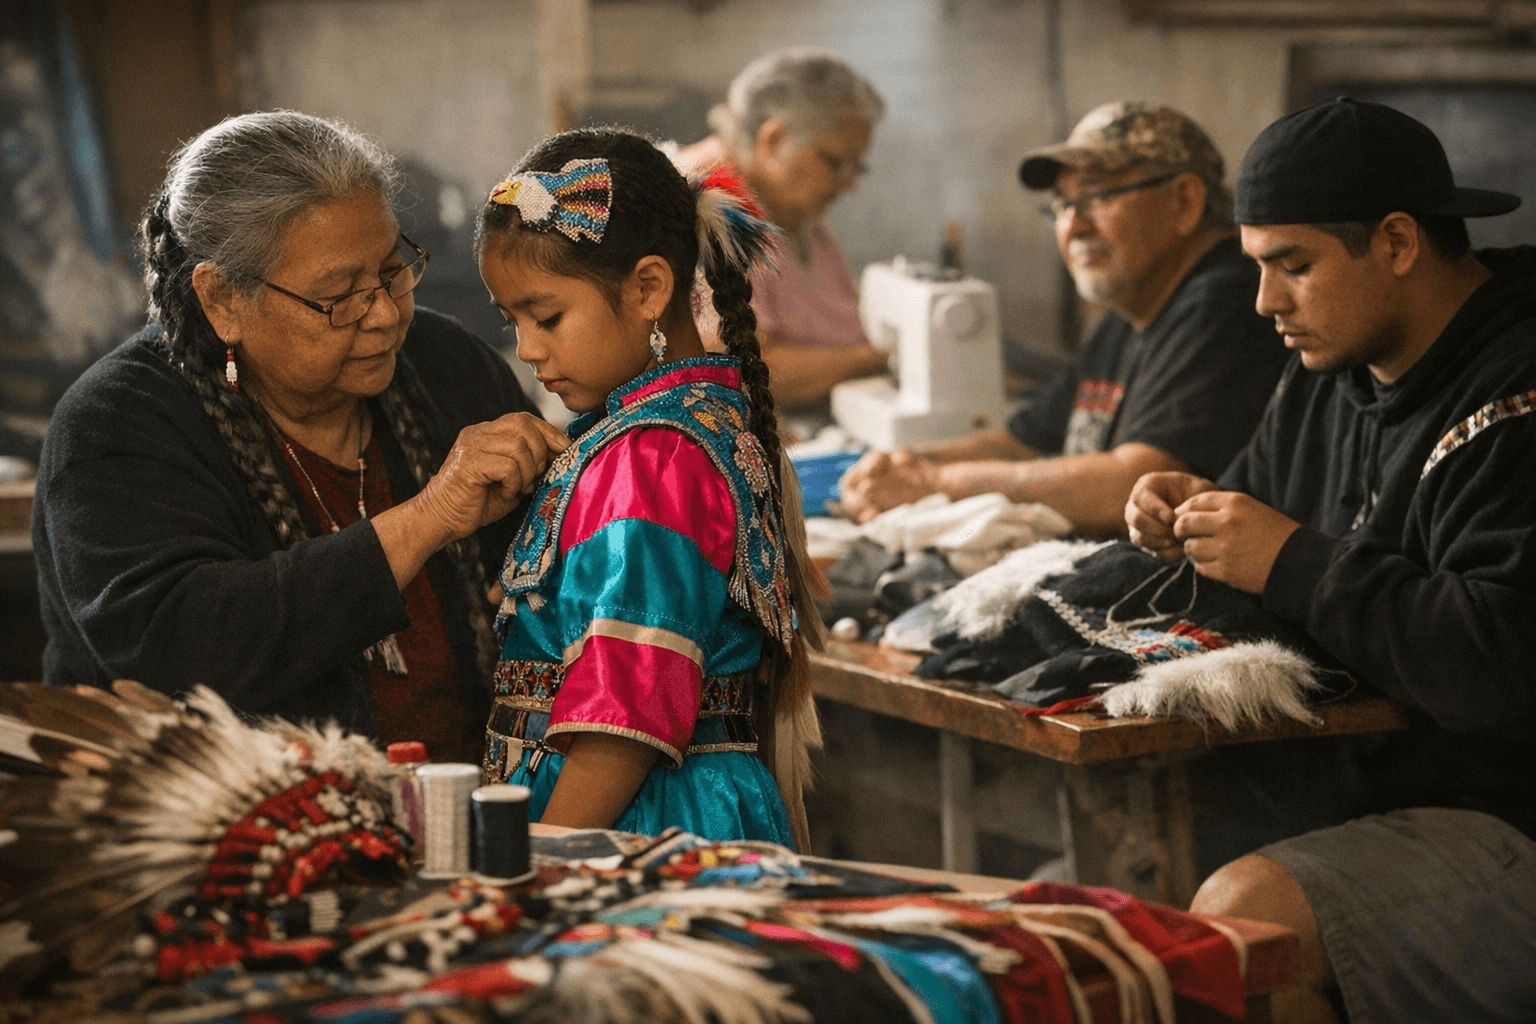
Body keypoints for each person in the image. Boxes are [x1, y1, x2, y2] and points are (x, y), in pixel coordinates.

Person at [1127, 98, 1536, 1023]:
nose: (1265, 302)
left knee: (1243, 924)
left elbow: (1504, 668)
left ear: (1396, 241)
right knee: (1108, 911)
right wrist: (1185, 511)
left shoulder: (1517, 394)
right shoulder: (1333, 371)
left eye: (1293, 265)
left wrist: (1293, 562)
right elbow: (1261, 521)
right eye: (1259, 267)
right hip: (1374, 784)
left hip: (1509, 814)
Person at [32, 111, 569, 765]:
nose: (383, 315)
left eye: (393, 270)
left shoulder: (443, 363)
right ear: (223, 299)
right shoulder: (118, 422)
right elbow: (179, 652)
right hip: (232, 838)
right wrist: (428, 517)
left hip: (483, 805)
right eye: (339, 296)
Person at [476, 129, 826, 849]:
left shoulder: (652, 455)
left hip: (638, 829)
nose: (528, 349)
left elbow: (625, 721)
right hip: (671, 811)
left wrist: (545, 860)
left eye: (547, 318)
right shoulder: (685, 428)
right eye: (512, 322)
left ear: (648, 288)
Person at [838, 101, 1289, 536]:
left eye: (1096, 197)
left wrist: (932, 484)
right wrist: (903, 464)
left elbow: (1131, 484)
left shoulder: (1227, 301)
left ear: (1184, 201)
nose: (1073, 226)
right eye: (1062, 205)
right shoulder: (1133, 312)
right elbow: (1021, 441)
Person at [675, 46, 890, 410]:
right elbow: (740, 370)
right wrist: (877, 359)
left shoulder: (789, 208)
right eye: (836, 163)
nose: (848, 184)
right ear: (773, 140)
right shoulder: (708, 201)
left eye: (856, 168)